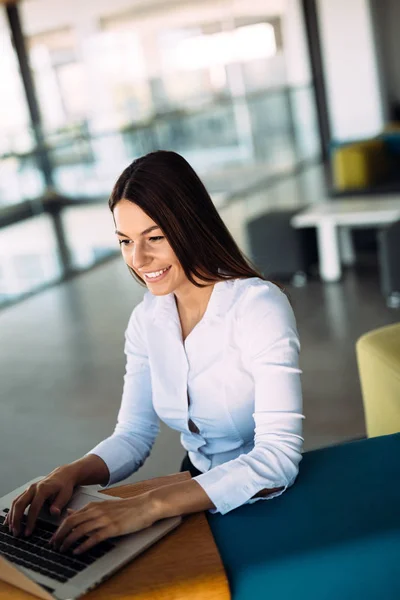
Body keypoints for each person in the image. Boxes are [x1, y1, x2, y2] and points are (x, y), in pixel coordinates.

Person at [5, 150, 304, 556]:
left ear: (191, 226)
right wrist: (70, 473)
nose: (138, 259)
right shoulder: (147, 320)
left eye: (155, 238)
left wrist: (149, 506)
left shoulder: (257, 307)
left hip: (264, 497)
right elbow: (133, 436)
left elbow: (278, 457)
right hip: (193, 488)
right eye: (126, 241)